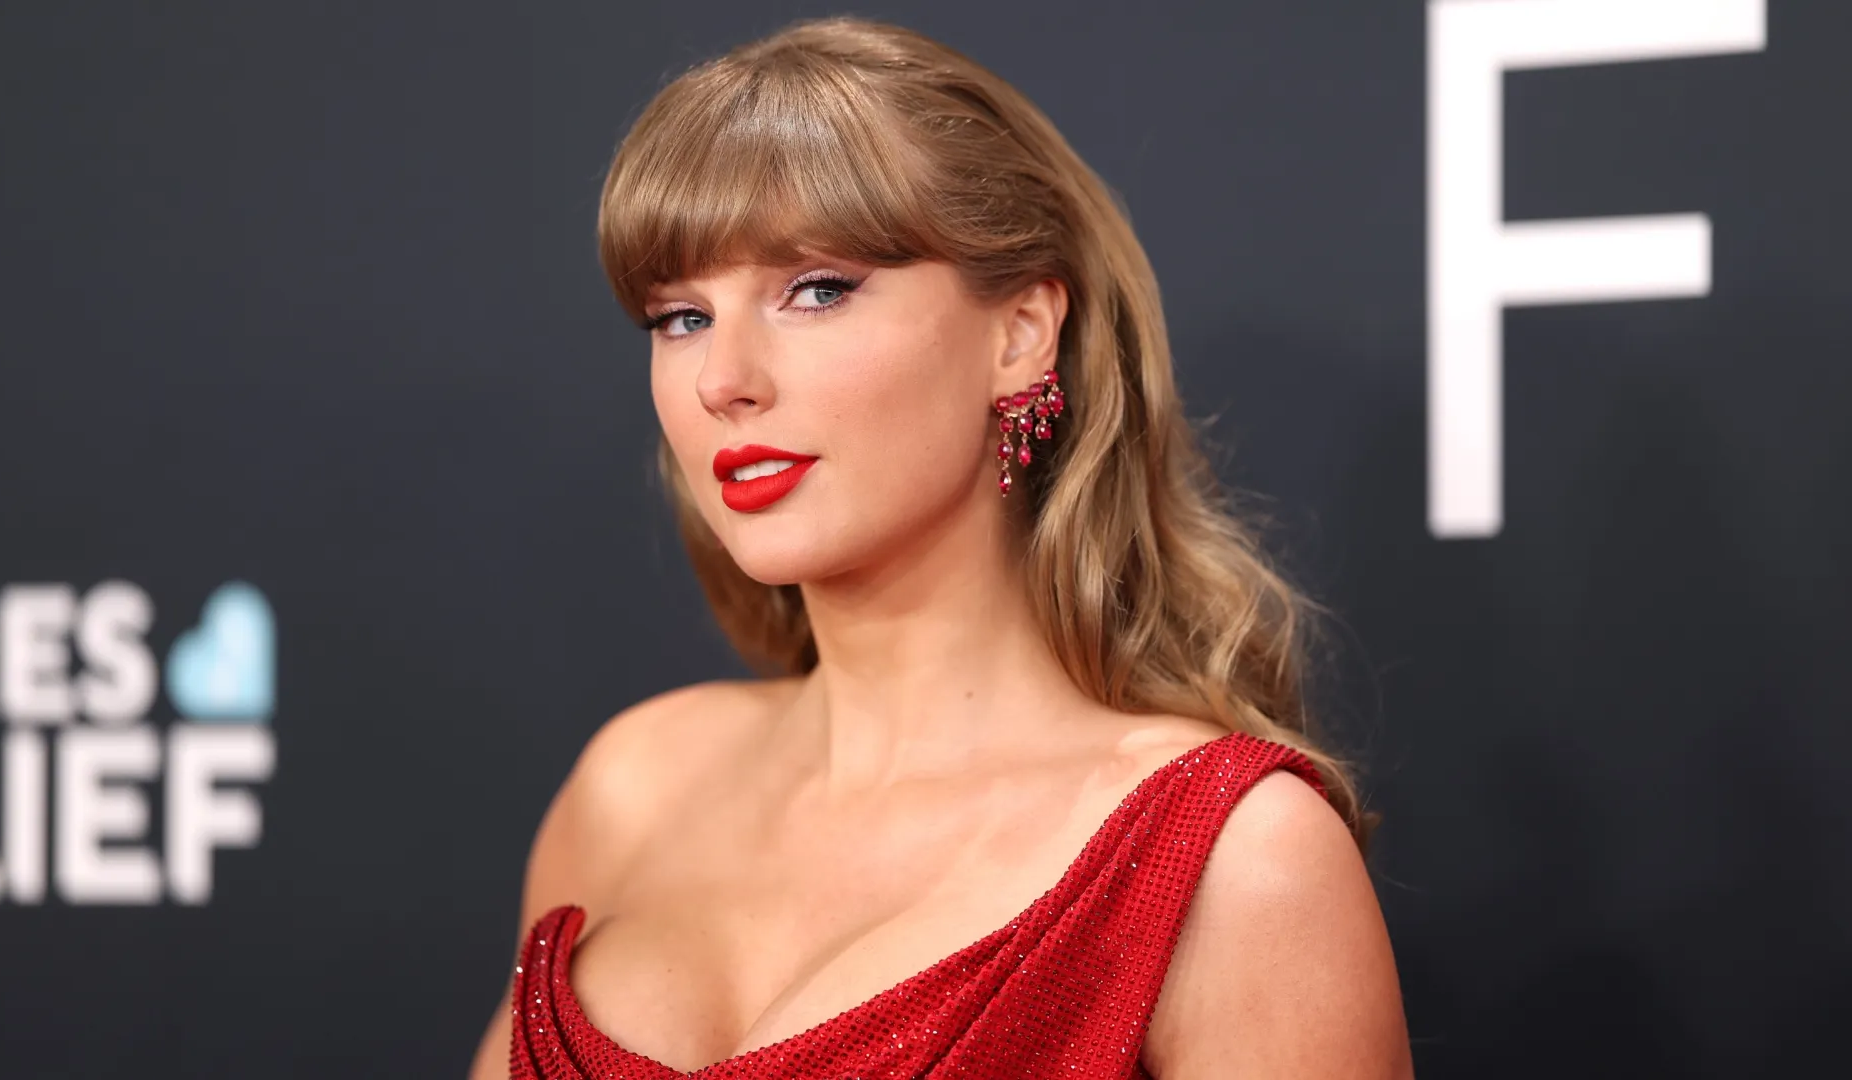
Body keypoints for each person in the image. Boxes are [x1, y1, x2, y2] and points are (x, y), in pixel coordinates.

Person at [471, 15, 1411, 1079]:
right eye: (679, 317)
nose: (721, 378)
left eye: (816, 290)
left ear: (1019, 334)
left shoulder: (1236, 861)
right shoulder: (631, 786)